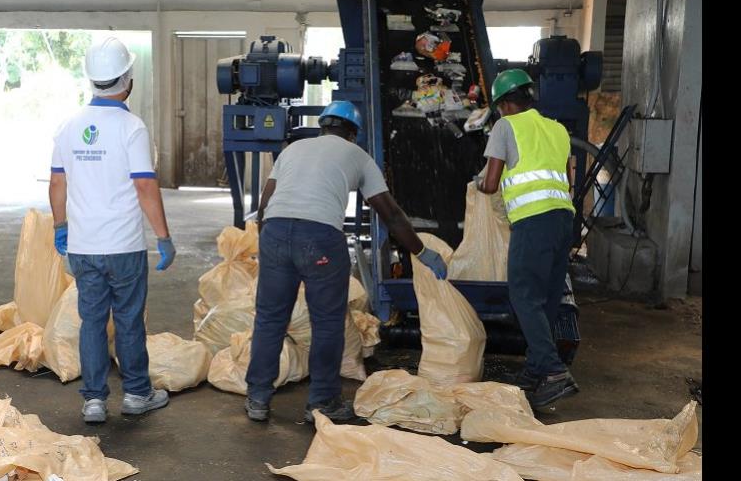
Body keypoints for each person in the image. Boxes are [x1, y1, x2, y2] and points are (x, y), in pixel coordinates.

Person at [244, 100, 449, 423]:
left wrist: (273, 244)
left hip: (276, 232)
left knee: (270, 319)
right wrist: (421, 251)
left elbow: (264, 206)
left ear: (323, 125)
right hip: (320, 239)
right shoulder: (358, 156)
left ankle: (257, 397)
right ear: (352, 133)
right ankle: (322, 403)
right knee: (326, 323)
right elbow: (391, 214)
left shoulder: (293, 150)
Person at [49, 37, 176, 424]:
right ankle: (137, 394)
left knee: (91, 321)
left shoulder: (69, 127)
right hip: (123, 245)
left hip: (84, 245)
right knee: (127, 319)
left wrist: (61, 229)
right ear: (128, 79)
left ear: (91, 80)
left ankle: (93, 401)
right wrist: (163, 237)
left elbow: (57, 184)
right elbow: (144, 185)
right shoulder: (131, 128)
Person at [474, 68, 579, 409]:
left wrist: (477, 182)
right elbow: (563, 176)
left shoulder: (506, 126)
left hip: (533, 222)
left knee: (523, 295)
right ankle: (535, 370)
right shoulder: (557, 129)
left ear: (504, 104)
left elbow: (490, 184)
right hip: (564, 220)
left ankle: (552, 371)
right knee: (547, 298)